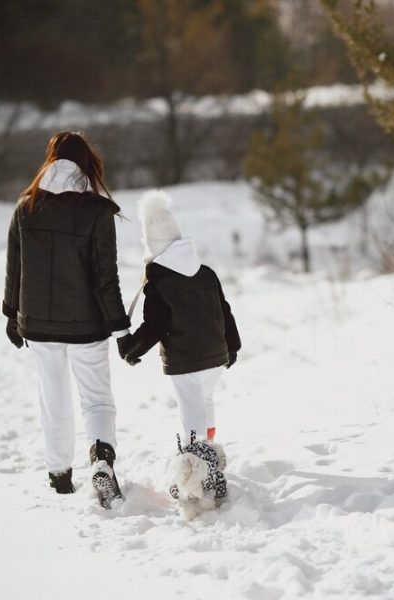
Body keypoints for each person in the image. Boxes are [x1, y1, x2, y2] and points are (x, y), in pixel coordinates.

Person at [3, 131, 130, 509]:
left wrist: (12, 314)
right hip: (87, 326)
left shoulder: (26, 206)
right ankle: (102, 460)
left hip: (38, 326)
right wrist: (121, 329)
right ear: (86, 164)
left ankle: (60, 476)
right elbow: (107, 278)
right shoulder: (96, 210)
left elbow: (15, 267)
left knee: (53, 400)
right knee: (97, 401)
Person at [118, 189, 240, 513]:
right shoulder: (206, 272)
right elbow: (224, 311)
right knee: (206, 404)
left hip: (186, 361)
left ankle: (196, 479)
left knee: (191, 417)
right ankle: (211, 461)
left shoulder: (159, 284)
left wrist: (131, 347)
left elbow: (155, 325)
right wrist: (233, 344)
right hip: (216, 355)